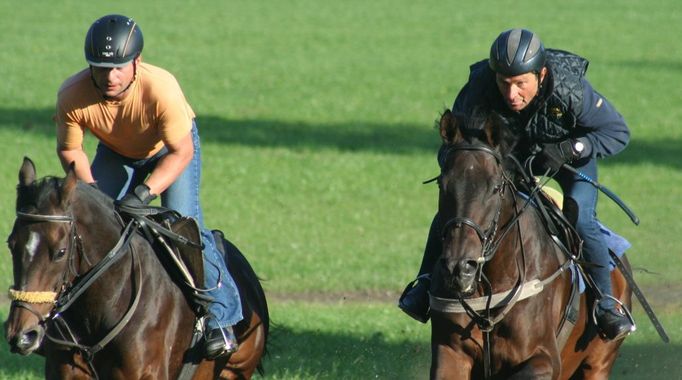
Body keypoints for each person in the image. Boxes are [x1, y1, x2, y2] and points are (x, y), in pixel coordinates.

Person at [398, 28, 634, 341]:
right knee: (460, 210)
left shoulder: (570, 90)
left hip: (567, 159)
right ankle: (425, 283)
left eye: (521, 83)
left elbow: (617, 132)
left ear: (542, 73)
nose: (512, 94)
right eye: (504, 83)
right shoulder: (478, 89)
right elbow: (454, 144)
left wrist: (571, 149)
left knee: (580, 215)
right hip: (507, 159)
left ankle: (606, 303)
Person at [55, 14, 242, 358]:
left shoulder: (161, 87)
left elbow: (181, 150)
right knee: (88, 221)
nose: (110, 77)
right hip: (116, 152)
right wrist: (92, 191)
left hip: (169, 150)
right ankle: (66, 315)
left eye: (119, 68)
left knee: (184, 223)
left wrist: (144, 193)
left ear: (136, 62)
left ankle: (221, 319)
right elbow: (70, 149)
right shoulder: (72, 94)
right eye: (100, 68)